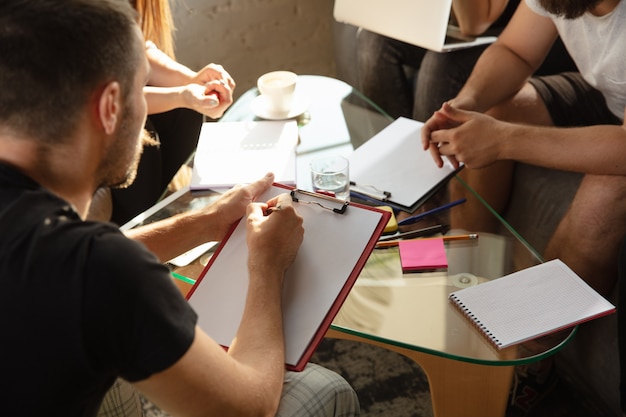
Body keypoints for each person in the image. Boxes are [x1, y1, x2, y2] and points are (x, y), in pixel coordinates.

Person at [0, 2, 360, 416]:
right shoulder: (104, 273)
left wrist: (205, 223)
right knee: (327, 389)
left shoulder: (62, 254)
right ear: (109, 106)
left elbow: (70, 266)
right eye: (141, 90)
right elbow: (250, 406)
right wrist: (267, 267)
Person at [421, 0, 625, 414]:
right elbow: (515, 51)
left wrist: (504, 140)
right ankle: (468, 281)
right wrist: (466, 105)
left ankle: (529, 356)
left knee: (604, 192)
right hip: (611, 99)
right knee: (497, 108)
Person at [103, 0, 237, 225]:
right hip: (88, 107)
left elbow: (138, 50)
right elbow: (110, 97)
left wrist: (193, 81)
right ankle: (138, 230)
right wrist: (182, 94)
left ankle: (162, 211)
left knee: (186, 113)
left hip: (116, 91)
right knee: (142, 134)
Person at [355, 0, 576, 123]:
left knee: (440, 65)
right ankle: (385, 164)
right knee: (372, 41)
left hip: (532, 35)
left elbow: (473, 23)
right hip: (462, 25)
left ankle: (424, 187)